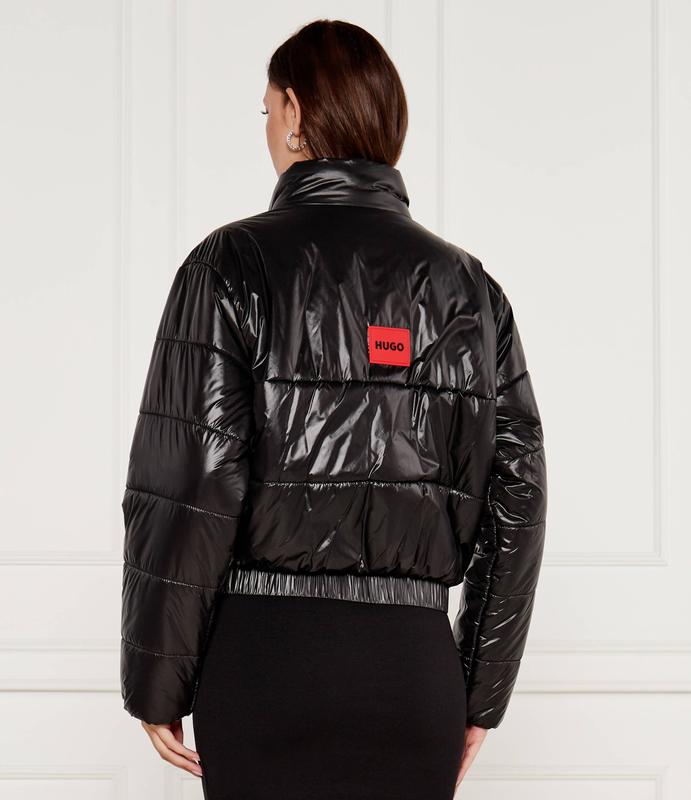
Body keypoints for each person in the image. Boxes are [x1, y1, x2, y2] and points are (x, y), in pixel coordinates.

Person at [119, 18, 548, 800]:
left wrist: (156, 679)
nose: (267, 128)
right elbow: (517, 497)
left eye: (266, 110)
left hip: (265, 664)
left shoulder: (231, 265)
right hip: (411, 677)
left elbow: (192, 481)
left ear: (293, 110)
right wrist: (479, 691)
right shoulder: (469, 291)